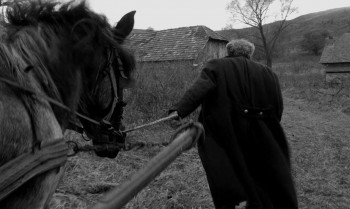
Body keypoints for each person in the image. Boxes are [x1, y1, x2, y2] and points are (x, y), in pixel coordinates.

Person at [169, 39, 298, 209]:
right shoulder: (269, 73)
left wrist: (178, 111)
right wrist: (268, 128)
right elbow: (277, 107)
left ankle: (236, 203)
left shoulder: (216, 66)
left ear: (229, 52)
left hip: (225, 130)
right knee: (261, 171)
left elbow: (199, 89)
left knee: (228, 170)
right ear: (249, 54)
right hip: (262, 131)